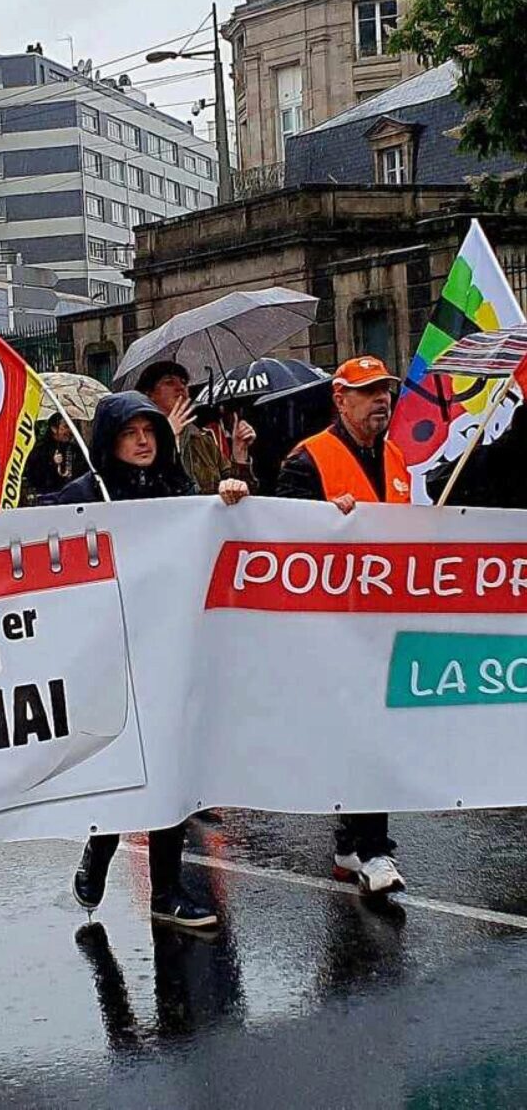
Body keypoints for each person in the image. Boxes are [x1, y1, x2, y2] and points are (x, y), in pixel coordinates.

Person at [61, 391, 249, 930]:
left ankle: (165, 892)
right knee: (125, 768)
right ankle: (100, 848)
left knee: (170, 770)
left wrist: (232, 490)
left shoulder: (179, 489)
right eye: (129, 433)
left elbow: (217, 529)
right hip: (109, 652)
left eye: (150, 431)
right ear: (108, 440)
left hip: (171, 648)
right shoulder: (84, 493)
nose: (143, 441)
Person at [276, 355, 409, 897]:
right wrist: (323, 520)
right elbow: (277, 534)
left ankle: (352, 844)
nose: (382, 400)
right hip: (332, 626)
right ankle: (372, 849)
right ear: (340, 399)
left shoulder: (396, 456)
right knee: (365, 734)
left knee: (372, 732)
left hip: (384, 621)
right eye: (369, 392)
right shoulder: (307, 461)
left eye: (386, 391)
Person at [137, 361, 258, 494]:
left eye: (184, 382)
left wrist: (239, 452)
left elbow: (238, 495)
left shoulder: (203, 441)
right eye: (169, 382)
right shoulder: (143, 441)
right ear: (149, 394)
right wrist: (168, 438)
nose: (180, 387)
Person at [24, 412, 85, 502]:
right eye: (66, 427)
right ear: (54, 428)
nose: (69, 431)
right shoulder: (40, 450)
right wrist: (51, 463)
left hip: (71, 498)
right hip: (46, 498)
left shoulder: (75, 449)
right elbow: (33, 476)